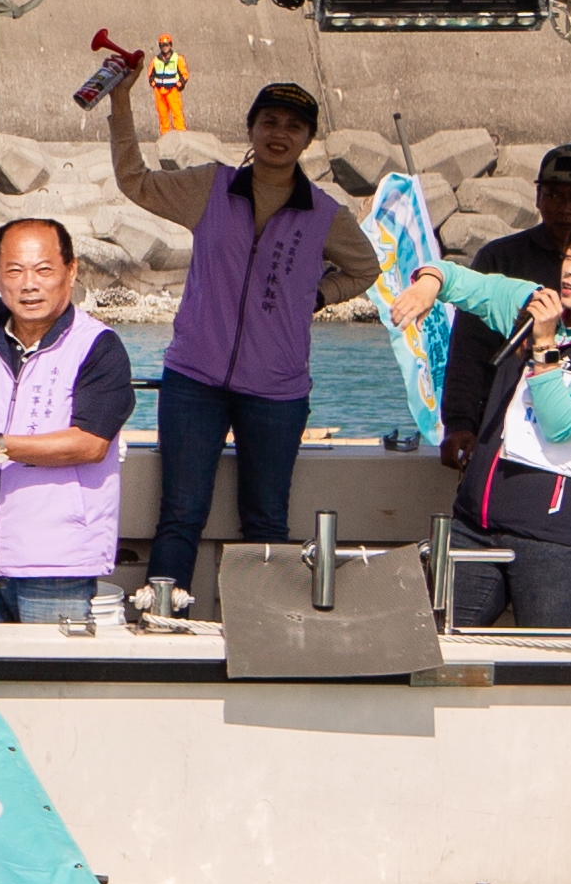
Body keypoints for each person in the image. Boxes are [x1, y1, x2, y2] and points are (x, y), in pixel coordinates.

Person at [111, 78, 378, 622]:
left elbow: (366, 269)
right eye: (270, 122)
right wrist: (119, 102)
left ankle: (266, 632)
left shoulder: (325, 214)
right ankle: (162, 622)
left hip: (277, 391)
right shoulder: (210, 187)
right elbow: (135, 181)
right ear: (251, 128)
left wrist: (316, 296)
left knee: (266, 522)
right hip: (194, 378)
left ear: (308, 139)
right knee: (180, 515)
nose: (280, 134)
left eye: (294, 127)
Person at [389, 219, 571, 629]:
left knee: (547, 661)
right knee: (437, 643)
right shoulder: (535, 304)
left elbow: (562, 423)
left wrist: (543, 345)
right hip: (476, 524)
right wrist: (428, 284)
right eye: (569, 257)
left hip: (555, 542)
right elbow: (462, 280)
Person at [0, 217, 134, 624]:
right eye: (14, 271)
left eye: (43, 270)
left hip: (57, 567)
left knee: (52, 668)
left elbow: (91, 443)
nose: (29, 284)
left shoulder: (98, 346)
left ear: (71, 270)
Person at [438, 144, 571, 473]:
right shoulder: (501, 258)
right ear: (538, 198)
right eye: (554, 195)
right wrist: (459, 422)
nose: (566, 207)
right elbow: (468, 349)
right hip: (505, 426)